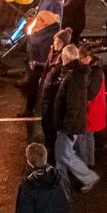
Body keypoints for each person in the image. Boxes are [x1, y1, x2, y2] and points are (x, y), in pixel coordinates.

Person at [54, 45, 100, 191]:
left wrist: (67, 127)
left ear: (65, 57)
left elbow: (74, 104)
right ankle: (61, 185)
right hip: (68, 123)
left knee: (66, 154)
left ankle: (89, 177)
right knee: (60, 155)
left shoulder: (73, 76)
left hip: (69, 125)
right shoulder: (74, 73)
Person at [21, 10, 60, 117]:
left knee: (42, 88)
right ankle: (30, 108)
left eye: (39, 19)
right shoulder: (40, 29)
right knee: (33, 86)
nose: (36, 21)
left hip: (42, 65)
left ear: (46, 22)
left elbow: (46, 52)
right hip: (34, 63)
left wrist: (36, 61)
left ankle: (38, 111)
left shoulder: (51, 35)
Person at [40, 28, 72, 156]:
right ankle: (48, 143)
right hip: (46, 93)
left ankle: (52, 147)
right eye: (54, 40)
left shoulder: (64, 58)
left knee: (51, 122)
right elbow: (46, 70)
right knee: (45, 121)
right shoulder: (52, 52)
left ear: (64, 43)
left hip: (53, 96)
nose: (55, 44)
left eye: (58, 41)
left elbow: (62, 79)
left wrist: (52, 85)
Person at [75, 45, 106, 168]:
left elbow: (91, 93)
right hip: (91, 109)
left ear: (88, 58)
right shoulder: (93, 69)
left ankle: (85, 164)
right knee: (87, 136)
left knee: (84, 136)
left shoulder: (95, 72)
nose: (79, 61)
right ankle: (89, 162)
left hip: (91, 110)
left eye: (81, 58)